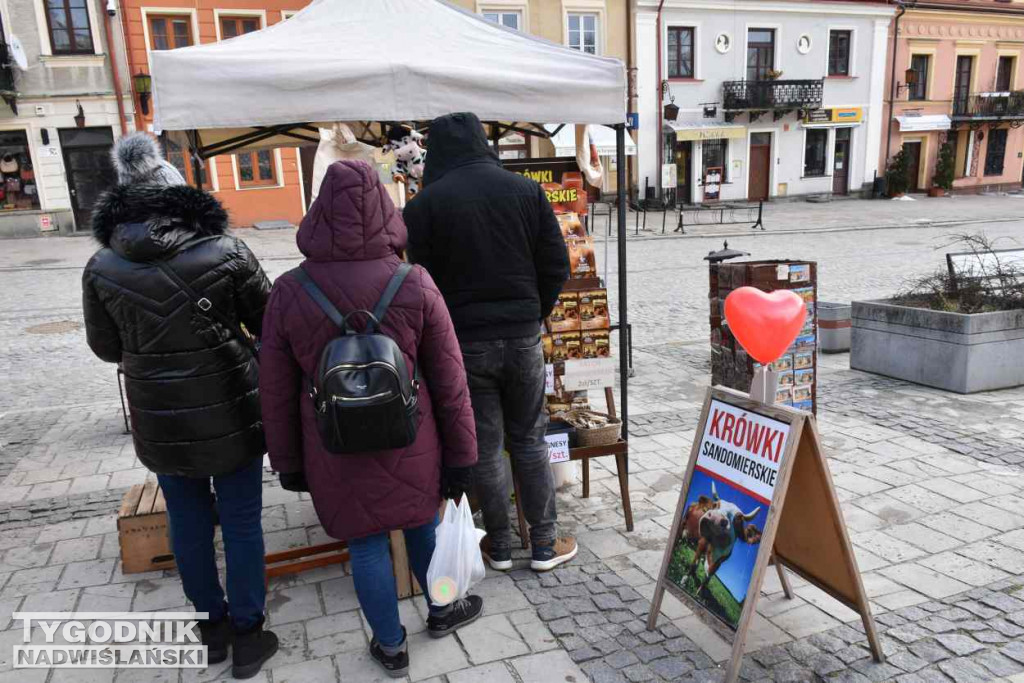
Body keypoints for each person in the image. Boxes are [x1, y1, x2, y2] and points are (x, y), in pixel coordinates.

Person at [259, 159, 482, 679]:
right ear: (385, 209)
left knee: (364, 546)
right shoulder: (414, 282)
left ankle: (390, 646)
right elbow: (451, 380)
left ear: (318, 213)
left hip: (333, 446)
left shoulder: (290, 290)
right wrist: (463, 456)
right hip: (413, 439)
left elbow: (274, 389)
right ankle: (443, 609)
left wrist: (288, 462)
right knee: (424, 528)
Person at [82, 133, 277, 679]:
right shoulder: (227, 251)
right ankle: (248, 633)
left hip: (159, 413)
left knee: (188, 521)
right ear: (182, 197)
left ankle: (210, 628)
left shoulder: (101, 266)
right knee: (241, 522)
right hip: (232, 407)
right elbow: (269, 324)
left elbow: (105, 348)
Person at [403, 112, 577, 573]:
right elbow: (558, 263)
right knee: (530, 440)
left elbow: (421, 282)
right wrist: (532, 310)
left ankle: (498, 545)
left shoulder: (423, 206)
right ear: (483, 141)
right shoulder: (524, 191)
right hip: (521, 335)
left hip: (465, 342)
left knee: (485, 445)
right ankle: (543, 543)